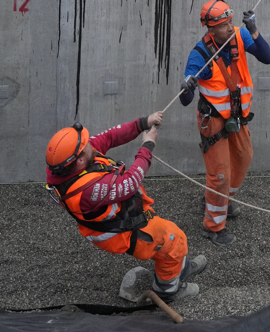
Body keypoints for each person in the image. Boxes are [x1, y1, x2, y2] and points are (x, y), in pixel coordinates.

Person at [45, 112, 207, 304]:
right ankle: (167, 290)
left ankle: (180, 267)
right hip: (121, 230)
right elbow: (130, 183)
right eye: (86, 144)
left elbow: (110, 137)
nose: (91, 143)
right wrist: (148, 145)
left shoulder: (69, 162)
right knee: (172, 240)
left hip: (124, 214)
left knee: (172, 237)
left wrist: (142, 123)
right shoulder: (87, 191)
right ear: (80, 161)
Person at [180, 0, 270, 246]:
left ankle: (222, 201)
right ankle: (213, 227)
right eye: (224, 25)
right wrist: (187, 87)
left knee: (243, 158)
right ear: (211, 29)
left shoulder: (240, 35)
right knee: (220, 174)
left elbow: (267, 58)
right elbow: (185, 100)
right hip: (213, 121)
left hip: (236, 117)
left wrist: (254, 29)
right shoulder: (200, 55)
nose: (230, 27)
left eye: (231, 22)